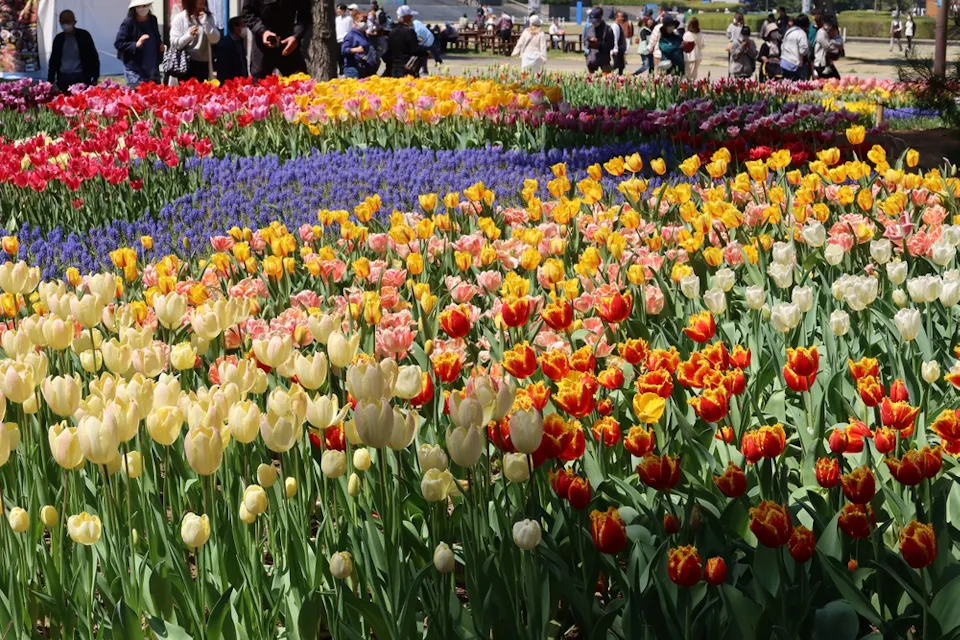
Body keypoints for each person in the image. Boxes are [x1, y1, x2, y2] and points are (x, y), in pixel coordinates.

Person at [241, 0, 310, 79]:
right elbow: (247, 14)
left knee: (300, 82)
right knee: (259, 85)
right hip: (263, 46)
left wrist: (296, 36)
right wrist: (262, 32)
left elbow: (305, 15)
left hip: (288, 44)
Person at [115, 0, 163, 88]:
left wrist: (160, 46)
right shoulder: (128, 22)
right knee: (138, 95)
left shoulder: (152, 20)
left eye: (145, 5)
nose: (143, 8)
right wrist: (136, 45)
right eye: (139, 6)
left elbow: (157, 36)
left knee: (155, 95)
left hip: (152, 65)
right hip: (135, 68)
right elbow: (118, 43)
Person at [48, 10, 99, 92]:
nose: (66, 25)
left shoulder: (84, 36)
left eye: (68, 22)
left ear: (74, 22)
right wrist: (50, 81)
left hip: (81, 76)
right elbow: (53, 60)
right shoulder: (58, 39)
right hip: (63, 77)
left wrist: (95, 77)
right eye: (63, 22)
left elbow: (93, 57)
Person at [169, 0, 221, 82]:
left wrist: (205, 24)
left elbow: (215, 39)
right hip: (185, 64)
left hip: (203, 63)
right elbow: (174, 44)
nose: (202, 1)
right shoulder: (180, 18)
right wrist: (188, 36)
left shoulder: (208, 18)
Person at [385, 5, 427, 77]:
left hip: (394, 67)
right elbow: (414, 50)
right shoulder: (409, 31)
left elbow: (388, 50)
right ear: (406, 17)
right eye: (410, 16)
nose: (411, 18)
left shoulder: (392, 31)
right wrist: (425, 52)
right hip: (407, 67)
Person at [213, 16, 249, 81]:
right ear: (235, 28)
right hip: (229, 81)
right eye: (243, 26)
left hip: (241, 80)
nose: (245, 28)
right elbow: (223, 68)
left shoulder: (241, 41)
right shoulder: (224, 44)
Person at [342, 12, 376, 77]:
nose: (363, 23)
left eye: (365, 21)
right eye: (361, 21)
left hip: (363, 68)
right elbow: (344, 50)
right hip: (353, 69)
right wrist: (355, 49)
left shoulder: (364, 35)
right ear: (355, 22)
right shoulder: (351, 35)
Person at [583, 7, 614, 73]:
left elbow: (611, 46)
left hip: (603, 62)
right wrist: (589, 42)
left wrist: (599, 44)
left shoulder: (608, 30)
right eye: (592, 22)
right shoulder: (590, 28)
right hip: (591, 62)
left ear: (600, 18)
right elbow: (585, 40)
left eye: (595, 21)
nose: (593, 23)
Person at [780, 14, 809, 80]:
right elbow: (803, 51)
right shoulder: (802, 33)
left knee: (786, 86)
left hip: (784, 62)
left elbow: (782, 46)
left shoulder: (789, 31)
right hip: (794, 65)